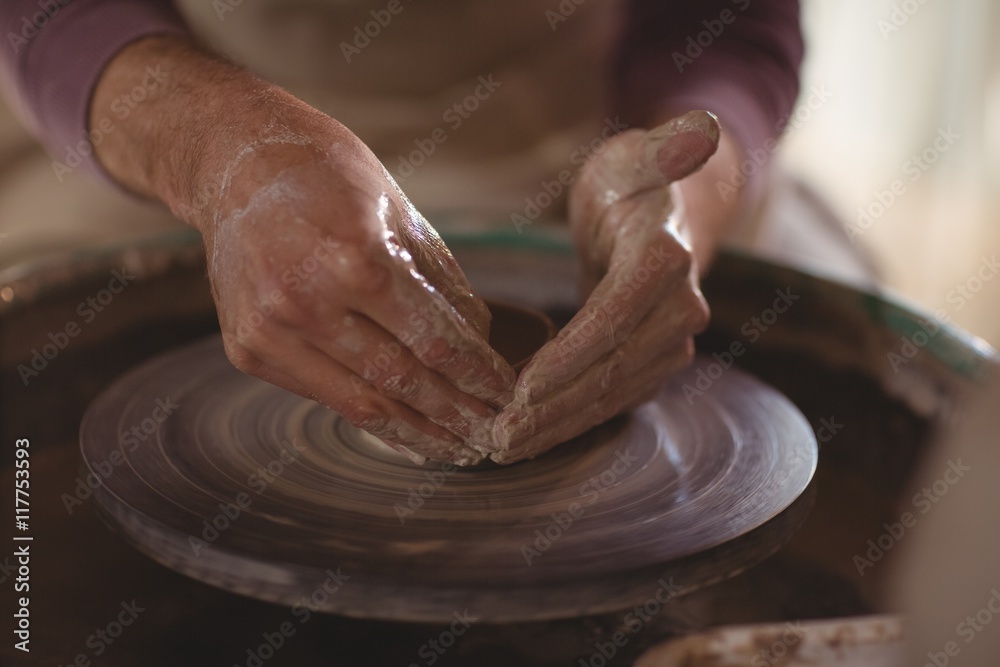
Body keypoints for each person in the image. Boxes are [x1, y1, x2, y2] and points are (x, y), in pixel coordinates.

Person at [0, 0, 803, 464]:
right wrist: (215, 153)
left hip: (578, 139)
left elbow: (728, 23)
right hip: (154, 117)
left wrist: (686, 191)